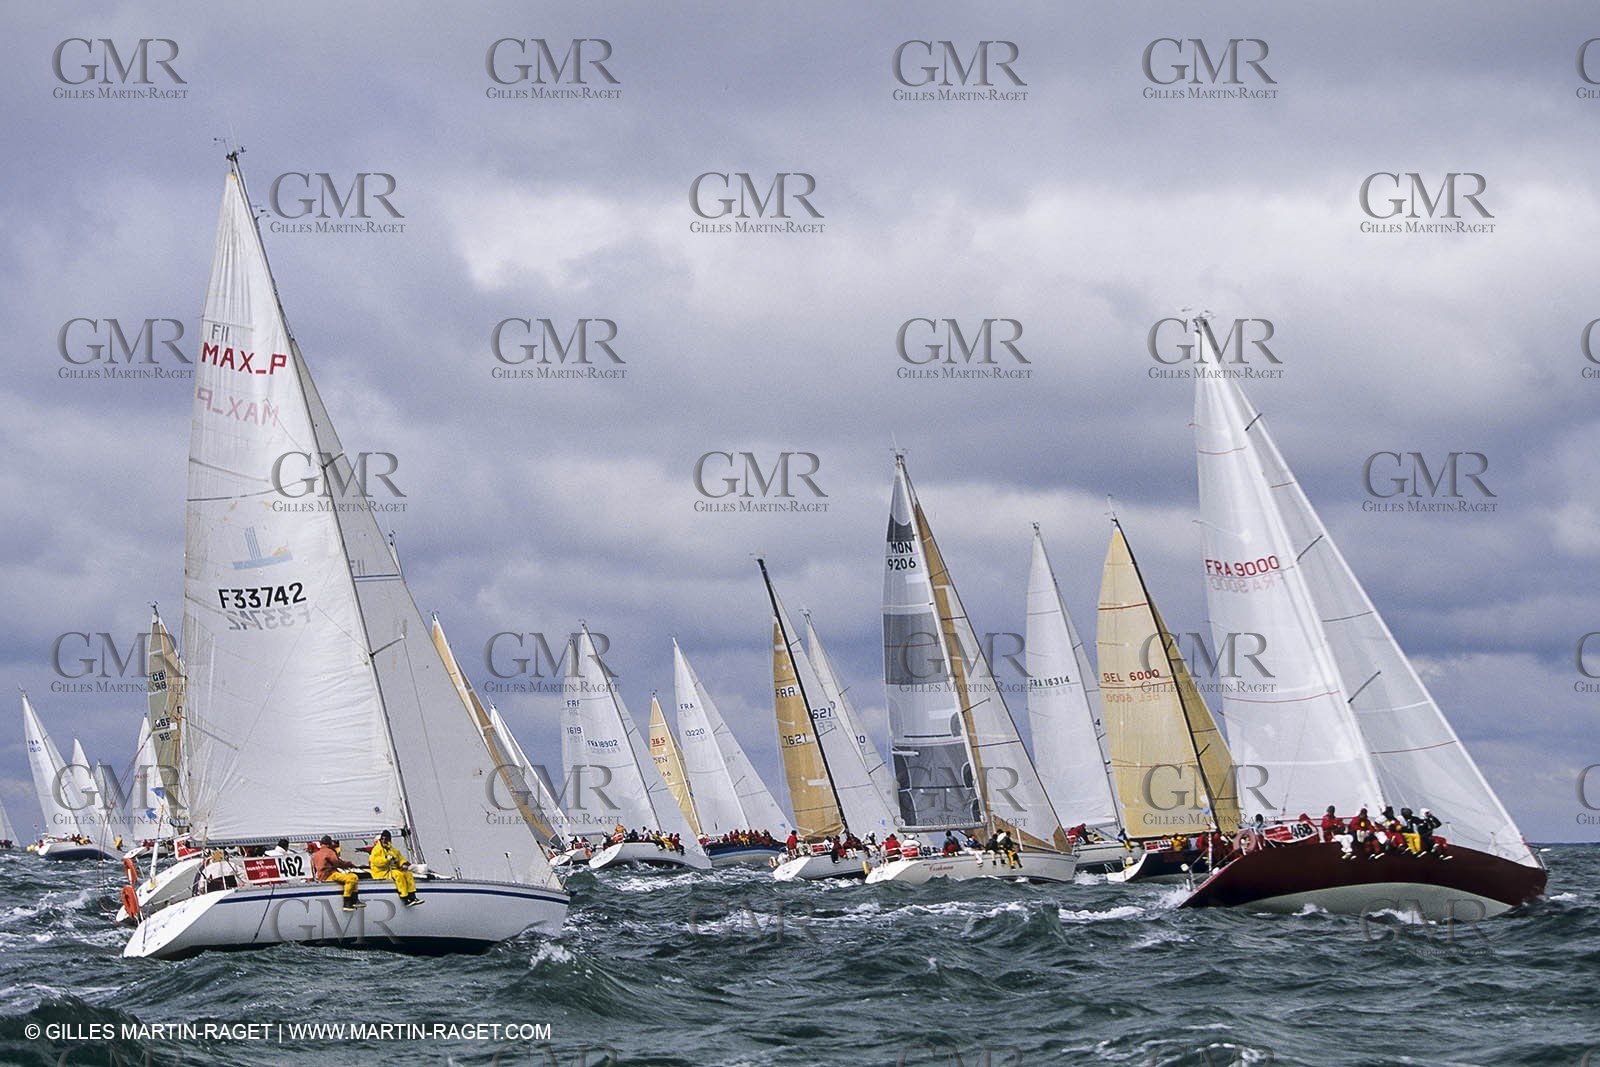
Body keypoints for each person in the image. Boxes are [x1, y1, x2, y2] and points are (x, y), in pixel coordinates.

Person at [369, 830, 423, 906]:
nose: (384, 841)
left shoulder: (393, 850)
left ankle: (412, 896)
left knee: (408, 874)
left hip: (392, 870)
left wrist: (403, 864)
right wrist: (386, 859)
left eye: (386, 839)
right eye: (383, 839)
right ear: (380, 839)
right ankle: (404, 897)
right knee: (398, 875)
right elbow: (376, 862)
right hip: (381, 873)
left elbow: (400, 858)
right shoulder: (376, 850)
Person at [311, 835, 364, 910]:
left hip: (321, 877)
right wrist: (348, 864)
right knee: (351, 878)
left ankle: (355, 901)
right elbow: (337, 863)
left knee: (354, 876)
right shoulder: (329, 852)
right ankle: (347, 902)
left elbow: (313, 869)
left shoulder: (315, 855)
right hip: (330, 875)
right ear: (329, 844)